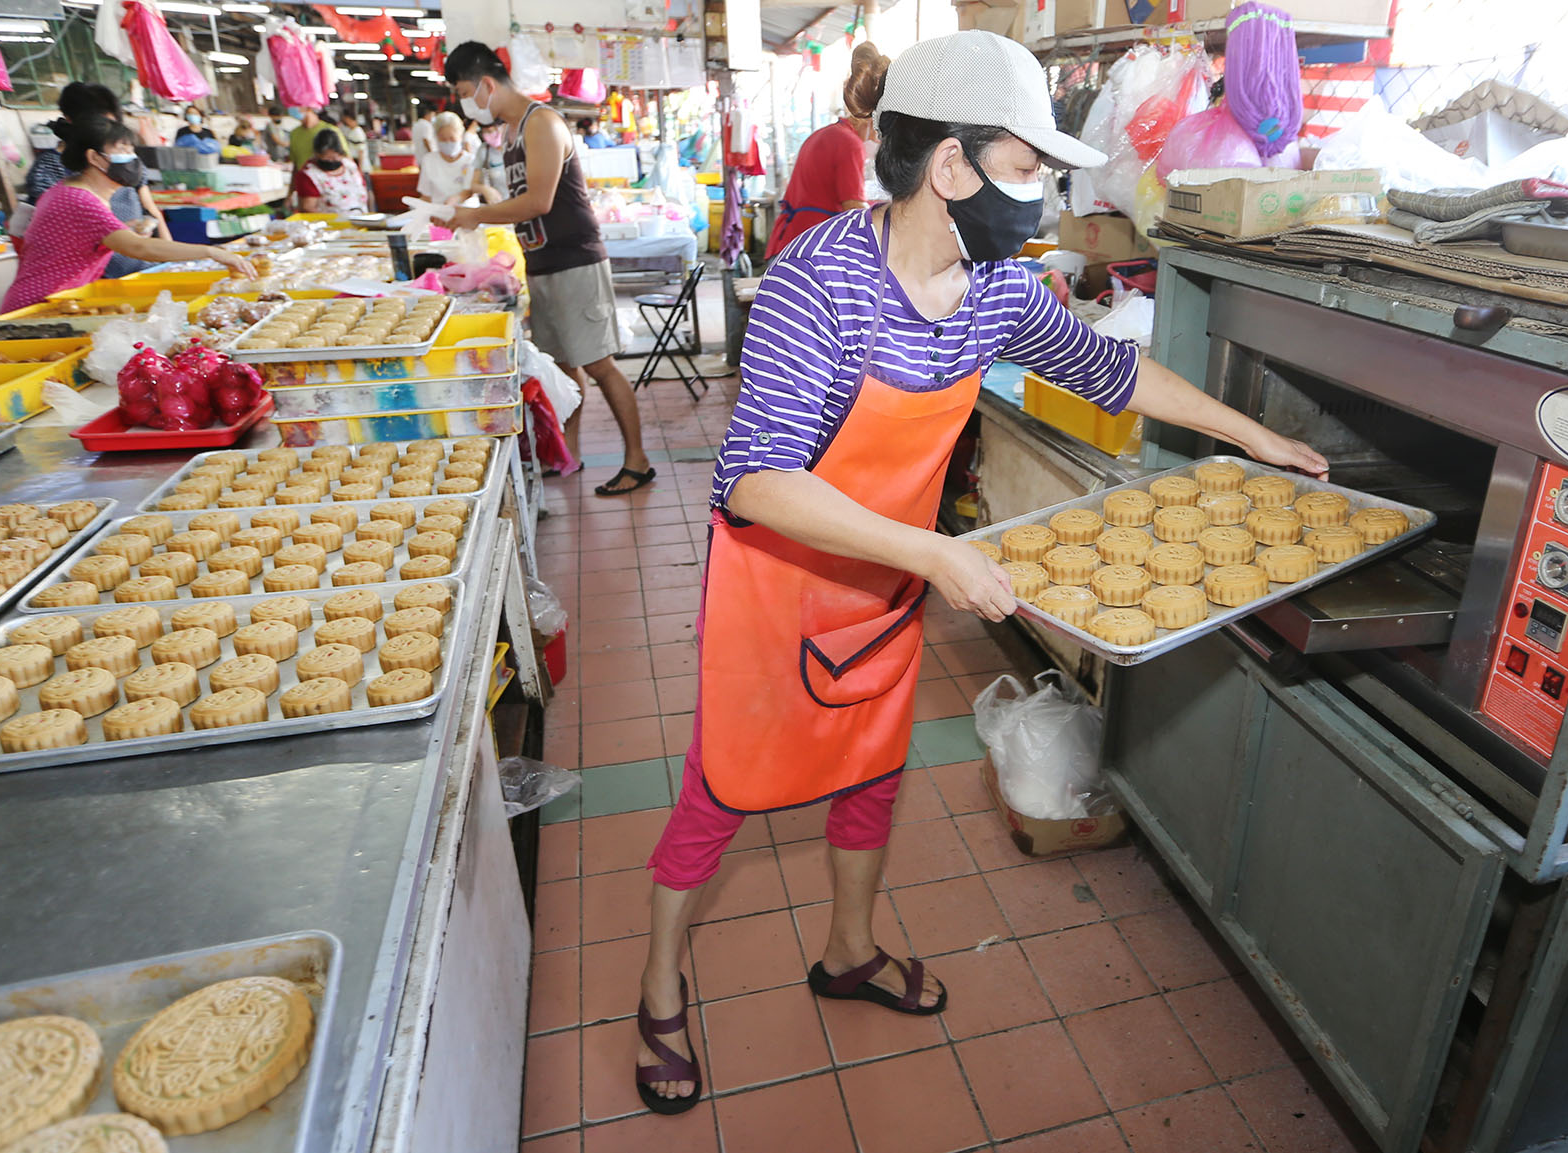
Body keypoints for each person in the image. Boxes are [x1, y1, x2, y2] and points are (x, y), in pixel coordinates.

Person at [624, 31, 1329, 1115]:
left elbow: (1109, 367)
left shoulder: (995, 286)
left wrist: (1249, 434)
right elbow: (756, 479)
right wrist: (931, 551)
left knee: (869, 771)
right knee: (723, 788)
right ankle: (658, 980)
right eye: (1021, 167)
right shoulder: (820, 285)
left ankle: (850, 951)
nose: (1039, 194)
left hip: (890, 583)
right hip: (780, 587)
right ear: (947, 166)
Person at [445, 42, 655, 496]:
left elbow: (538, 200)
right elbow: (525, 203)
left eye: (465, 91)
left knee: (600, 364)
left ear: (485, 84)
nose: (466, 103)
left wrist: (477, 214)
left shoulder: (542, 123)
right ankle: (569, 450)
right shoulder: (512, 133)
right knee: (563, 366)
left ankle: (637, 460)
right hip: (542, 262)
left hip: (574, 260)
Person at [5, 116, 255, 313]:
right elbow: (140, 249)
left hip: (59, 300)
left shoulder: (74, 192)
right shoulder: (79, 199)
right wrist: (210, 251)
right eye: (122, 148)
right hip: (39, 305)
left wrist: (126, 229)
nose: (131, 157)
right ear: (94, 157)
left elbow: (82, 240)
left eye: (131, 149)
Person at [24, 82, 170, 279]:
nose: (108, 132)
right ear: (70, 120)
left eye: (113, 124)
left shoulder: (122, 159)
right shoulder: (51, 169)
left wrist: (170, 260)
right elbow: (52, 234)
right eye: (100, 124)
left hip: (138, 265)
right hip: (92, 275)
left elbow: (151, 209)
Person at [767, 41, 885, 260]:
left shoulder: (828, 133)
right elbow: (854, 211)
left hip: (795, 239)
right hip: (812, 249)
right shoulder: (849, 144)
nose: (878, 138)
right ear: (872, 118)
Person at [291, 129, 370, 215]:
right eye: (327, 159)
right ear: (317, 154)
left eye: (334, 158)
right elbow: (308, 208)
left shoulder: (350, 166)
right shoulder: (309, 174)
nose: (331, 162)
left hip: (362, 221)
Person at [416, 111, 477, 205]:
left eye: (452, 138)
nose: (448, 142)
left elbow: (469, 192)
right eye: (443, 139)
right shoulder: (429, 160)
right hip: (438, 215)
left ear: (461, 136)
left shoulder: (471, 160)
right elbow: (426, 196)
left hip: (466, 213)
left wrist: (457, 199)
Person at [469, 122, 509, 203]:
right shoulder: (484, 150)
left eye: (490, 131)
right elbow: (473, 184)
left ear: (503, 127)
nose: (487, 135)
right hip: (498, 205)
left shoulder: (517, 146)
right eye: (484, 132)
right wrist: (485, 189)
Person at [286, 106, 329, 173]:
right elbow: (296, 164)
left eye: (296, 104)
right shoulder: (295, 133)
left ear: (308, 107)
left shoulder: (329, 131)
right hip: (304, 180)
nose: (291, 107)